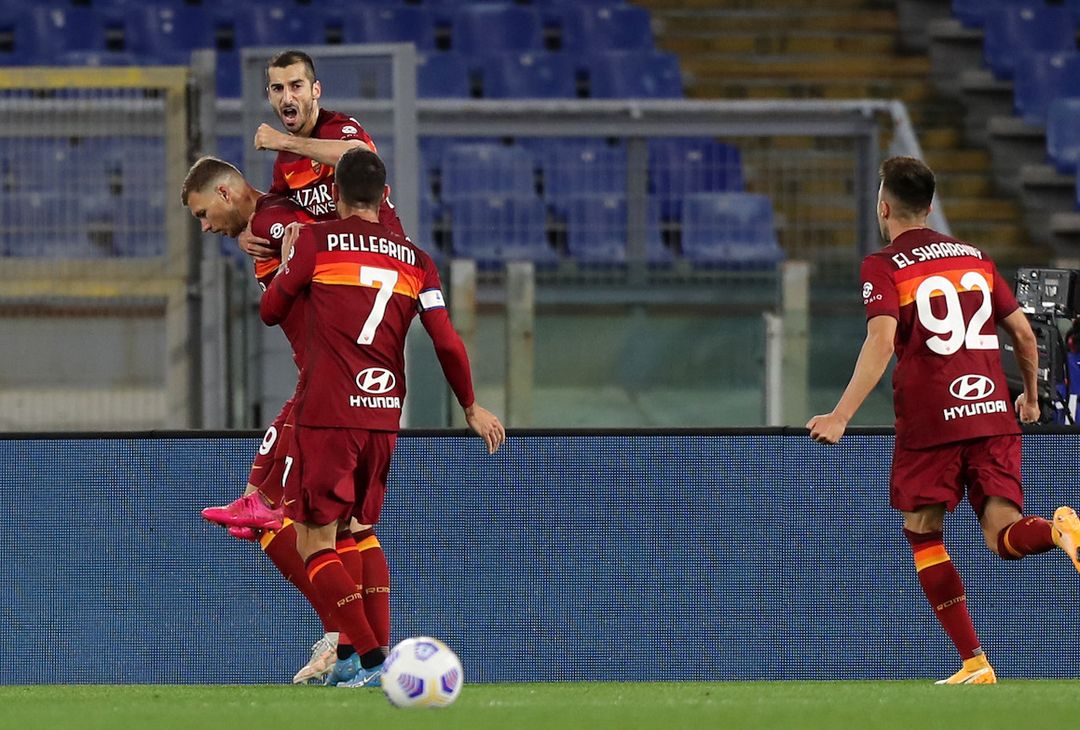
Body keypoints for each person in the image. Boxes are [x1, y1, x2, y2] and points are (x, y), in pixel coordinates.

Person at [806, 155, 1080, 685]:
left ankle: (975, 660)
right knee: (1004, 537)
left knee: (923, 532)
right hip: (992, 412)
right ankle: (1058, 528)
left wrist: (841, 415)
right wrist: (1027, 398)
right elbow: (1024, 335)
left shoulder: (883, 265)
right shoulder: (976, 259)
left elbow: (882, 340)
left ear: (883, 207)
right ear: (929, 207)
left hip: (933, 421)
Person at [260, 147, 505, 688]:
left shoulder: (320, 241)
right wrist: (469, 404)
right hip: (383, 415)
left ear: (338, 195)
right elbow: (446, 340)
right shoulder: (417, 260)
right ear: (383, 195)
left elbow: (272, 308)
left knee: (313, 540)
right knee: (359, 529)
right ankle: (356, 658)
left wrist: (288, 265)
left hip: (328, 412)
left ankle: (374, 660)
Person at [183, 156, 388, 685]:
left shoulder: (274, 223)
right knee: (304, 522)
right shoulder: (275, 211)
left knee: (301, 520)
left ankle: (351, 645)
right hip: (330, 383)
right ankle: (350, 645)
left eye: (204, 214)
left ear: (227, 194)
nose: (205, 227)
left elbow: (347, 209)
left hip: (330, 388)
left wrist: (301, 226)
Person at [238, 49, 406, 265]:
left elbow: (363, 157)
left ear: (315, 90)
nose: (287, 97)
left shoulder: (338, 127)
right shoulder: (285, 160)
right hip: (346, 263)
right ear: (269, 95)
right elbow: (276, 207)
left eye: (296, 86)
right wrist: (249, 232)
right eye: (278, 89)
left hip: (387, 252)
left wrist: (285, 141)